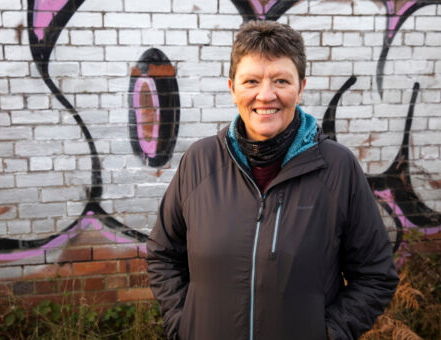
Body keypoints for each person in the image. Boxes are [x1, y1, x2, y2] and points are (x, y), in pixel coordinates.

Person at [146, 20, 399, 340]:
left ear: (301, 86)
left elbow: (376, 275)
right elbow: (162, 253)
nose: (265, 95)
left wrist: (330, 333)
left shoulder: (337, 168)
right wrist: (183, 323)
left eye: (281, 80)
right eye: (251, 81)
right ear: (232, 87)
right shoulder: (199, 162)